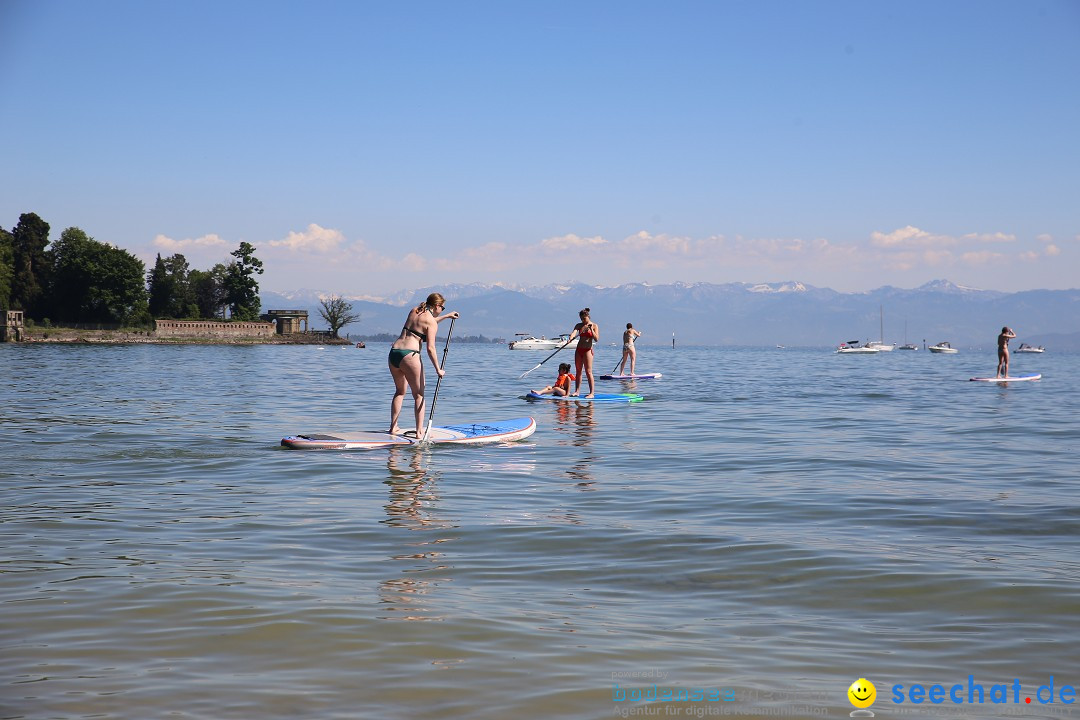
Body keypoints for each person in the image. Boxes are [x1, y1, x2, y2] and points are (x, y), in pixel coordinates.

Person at [388, 293, 459, 436]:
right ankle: (419, 432)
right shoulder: (430, 322)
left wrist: (446, 317)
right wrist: (438, 369)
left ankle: (393, 427)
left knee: (400, 392)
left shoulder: (415, 310)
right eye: (443, 309)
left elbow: (423, 323)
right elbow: (430, 348)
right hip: (410, 355)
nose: (442, 311)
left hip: (394, 353)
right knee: (419, 395)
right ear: (437, 306)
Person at [567, 307, 598, 397]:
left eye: (584, 318)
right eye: (581, 319)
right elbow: (574, 333)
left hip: (588, 350)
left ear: (588, 316)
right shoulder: (579, 325)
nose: (583, 320)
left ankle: (591, 393)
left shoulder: (595, 325)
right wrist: (570, 339)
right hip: (579, 350)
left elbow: (596, 339)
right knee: (578, 371)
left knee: (588, 372)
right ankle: (577, 391)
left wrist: (591, 329)